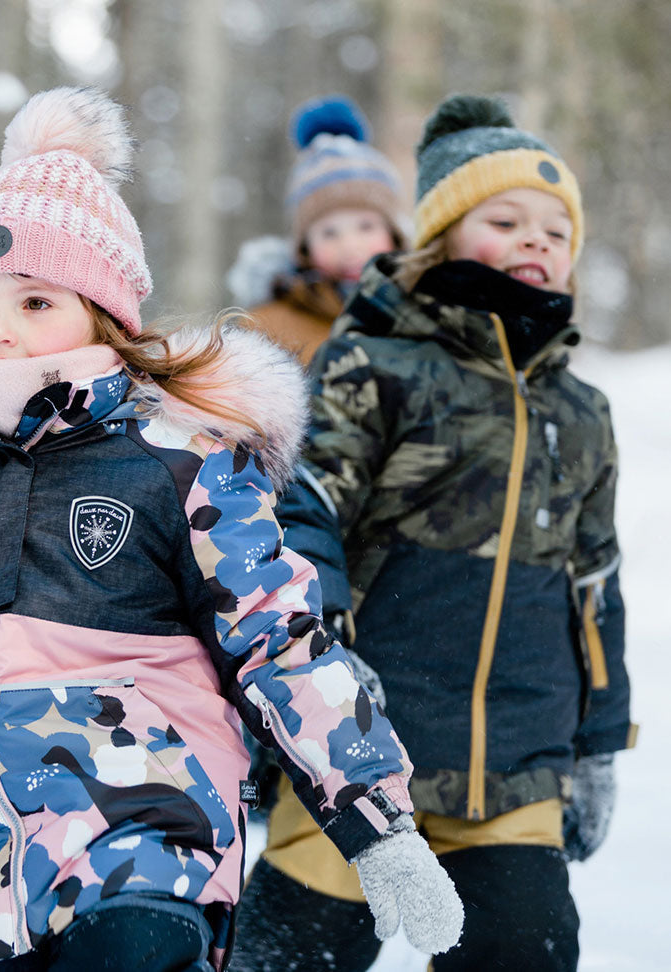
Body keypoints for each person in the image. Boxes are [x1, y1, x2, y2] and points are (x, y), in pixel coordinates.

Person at [0, 86, 461, 972]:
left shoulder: (177, 455)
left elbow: (280, 643)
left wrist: (379, 825)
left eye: (37, 302)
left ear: (104, 312)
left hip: (144, 830)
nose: (0, 333)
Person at [230, 94, 634, 972]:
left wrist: (600, 743)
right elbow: (304, 509)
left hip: (515, 774)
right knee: (289, 956)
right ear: (442, 235)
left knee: (527, 950)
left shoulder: (581, 410)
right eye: (506, 219)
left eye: (556, 231)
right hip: (368, 755)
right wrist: (320, 652)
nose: (537, 240)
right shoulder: (375, 362)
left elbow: (595, 581)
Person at [227, 95, 406, 366]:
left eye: (366, 227)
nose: (350, 245)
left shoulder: (427, 311)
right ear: (304, 248)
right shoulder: (267, 329)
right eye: (329, 233)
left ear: (395, 233)